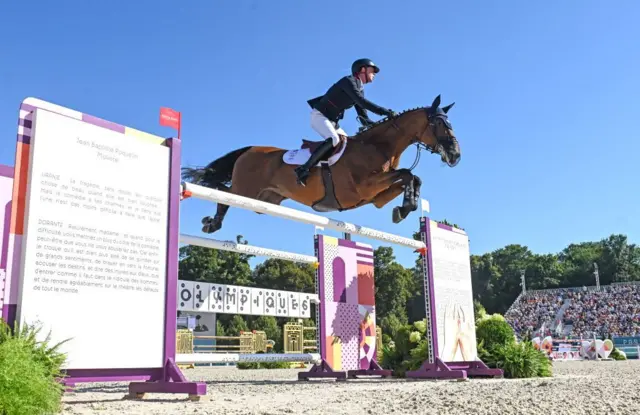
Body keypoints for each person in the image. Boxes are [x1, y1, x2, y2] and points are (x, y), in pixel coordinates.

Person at [294, 58, 396, 186]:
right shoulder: (348, 81)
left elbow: (364, 117)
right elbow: (361, 102)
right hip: (319, 116)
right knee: (334, 139)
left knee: (350, 146)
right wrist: (384, 111)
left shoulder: (360, 88)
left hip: (333, 123)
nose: (374, 74)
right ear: (362, 70)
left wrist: (380, 124)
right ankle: (303, 169)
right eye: (372, 71)